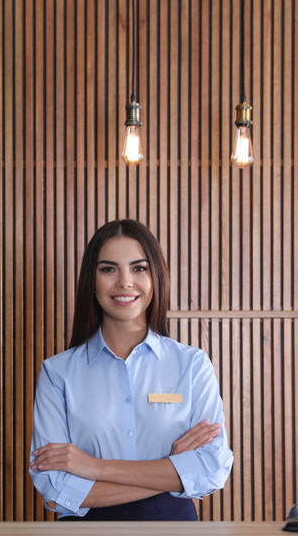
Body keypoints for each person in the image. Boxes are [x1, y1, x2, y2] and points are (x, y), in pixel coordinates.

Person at [29, 219, 233, 520]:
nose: (125, 282)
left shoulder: (191, 365)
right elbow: (56, 489)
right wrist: (172, 466)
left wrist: (94, 467)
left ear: (156, 277)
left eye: (139, 268)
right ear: (91, 280)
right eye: (108, 269)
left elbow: (211, 469)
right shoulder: (57, 373)